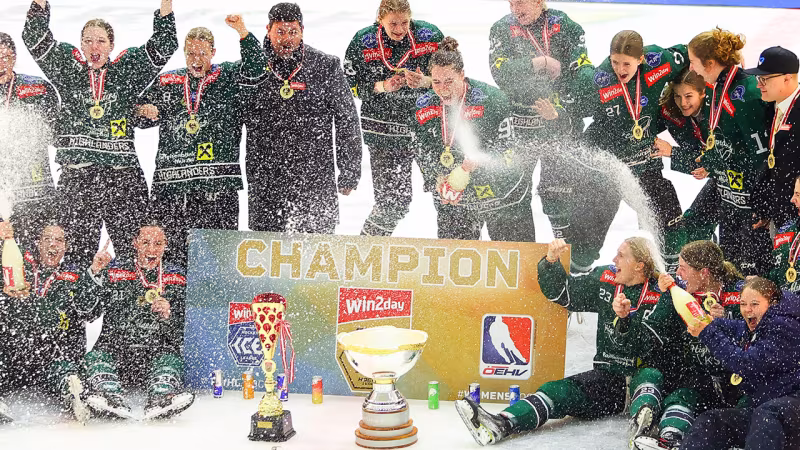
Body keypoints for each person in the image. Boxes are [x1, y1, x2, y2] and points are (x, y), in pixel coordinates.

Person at [455, 236, 670, 445]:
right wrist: (550, 261)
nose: (614, 260)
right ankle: (502, 424)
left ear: (639, 266)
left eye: (621, 256)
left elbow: (652, 343)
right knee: (558, 391)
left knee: (649, 379)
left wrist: (627, 319)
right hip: (610, 380)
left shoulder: (662, 291)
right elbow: (564, 292)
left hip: (648, 377)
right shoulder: (606, 279)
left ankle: (644, 434)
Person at [22, 0, 178, 267]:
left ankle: (135, 293)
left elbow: (164, 44)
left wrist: (166, 3)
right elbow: (35, 37)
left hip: (122, 177)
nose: (95, 47)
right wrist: (39, 3)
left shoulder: (128, 69)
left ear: (111, 45)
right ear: (81, 45)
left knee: (134, 250)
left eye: (101, 41)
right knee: (78, 253)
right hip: (78, 177)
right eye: (88, 41)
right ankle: (80, 295)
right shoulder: (67, 67)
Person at [136, 15, 266, 267]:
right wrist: (144, 110)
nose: (196, 60)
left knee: (220, 261)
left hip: (217, 188)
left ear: (213, 52)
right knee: (171, 262)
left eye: (203, 54)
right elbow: (138, 117)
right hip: (172, 189)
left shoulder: (228, 76)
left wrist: (243, 33)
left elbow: (257, 69)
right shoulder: (167, 81)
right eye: (191, 54)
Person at [489, 0, 602, 271]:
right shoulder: (501, 28)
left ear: (539, 1)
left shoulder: (565, 25)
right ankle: (523, 264)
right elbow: (500, 73)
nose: (515, 8)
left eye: (521, 2)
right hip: (519, 125)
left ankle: (570, 263)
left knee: (558, 194)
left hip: (558, 122)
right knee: (515, 193)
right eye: (511, 2)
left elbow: (582, 70)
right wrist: (538, 63)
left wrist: (574, 103)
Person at [244, 3, 362, 234]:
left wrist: (349, 170)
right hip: (266, 179)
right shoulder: (253, 67)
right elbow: (232, 117)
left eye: (293, 32)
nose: (287, 39)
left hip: (314, 176)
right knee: (268, 251)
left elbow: (347, 119)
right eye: (280, 32)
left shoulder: (325, 66)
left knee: (316, 251)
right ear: (268, 29)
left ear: (302, 30)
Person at [575, 30, 687, 272]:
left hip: (645, 162)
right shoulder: (600, 80)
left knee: (668, 212)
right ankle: (577, 272)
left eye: (626, 63)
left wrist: (726, 60)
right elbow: (573, 110)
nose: (620, 69)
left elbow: (694, 53)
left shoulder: (659, 60)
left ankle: (672, 273)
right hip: (609, 167)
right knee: (590, 229)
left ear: (641, 59)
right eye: (615, 62)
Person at [619, 241, 745, 450]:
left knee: (748, 410)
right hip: (696, 381)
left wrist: (728, 320)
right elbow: (648, 339)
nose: (677, 273)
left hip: (735, 383)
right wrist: (627, 319)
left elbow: (759, 334)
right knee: (680, 397)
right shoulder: (677, 295)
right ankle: (668, 439)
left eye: (683, 268)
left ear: (703, 273)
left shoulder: (739, 293)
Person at [412, 37, 534, 241]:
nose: (443, 89)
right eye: (436, 82)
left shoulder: (493, 100)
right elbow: (421, 151)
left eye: (449, 81)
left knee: (516, 260)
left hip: (504, 195)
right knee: (456, 259)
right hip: (455, 198)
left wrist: (479, 162)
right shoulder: (423, 107)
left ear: (462, 75)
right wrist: (437, 180)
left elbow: (510, 148)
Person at [344, 0, 443, 236]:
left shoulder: (430, 35)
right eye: (393, 24)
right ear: (380, 19)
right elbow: (347, 86)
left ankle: (457, 252)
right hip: (384, 133)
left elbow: (455, 78)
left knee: (448, 194)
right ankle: (367, 250)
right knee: (392, 204)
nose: (400, 30)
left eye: (405, 23)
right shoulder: (363, 40)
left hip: (428, 128)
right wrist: (382, 86)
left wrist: (428, 82)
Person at [83, 223, 193, 420]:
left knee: (172, 359)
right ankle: (110, 397)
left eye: (158, 243)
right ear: (135, 243)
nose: (152, 249)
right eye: (145, 242)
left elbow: (186, 330)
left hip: (158, 352)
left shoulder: (178, 276)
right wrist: (95, 272)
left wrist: (170, 315)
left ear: (166, 245)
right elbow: (88, 312)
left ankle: (161, 398)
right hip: (116, 350)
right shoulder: (114, 271)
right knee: (95, 357)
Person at [687, 27, 771, 276]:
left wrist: (763, 204)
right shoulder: (718, 89)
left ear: (710, 64)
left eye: (693, 62)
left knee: (752, 278)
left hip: (751, 204)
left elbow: (763, 156)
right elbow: (727, 141)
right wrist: (711, 160)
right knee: (730, 271)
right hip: (730, 198)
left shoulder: (747, 94)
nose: (691, 69)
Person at [0, 222, 103, 424]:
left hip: (55, 352)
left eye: (58, 240)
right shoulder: (18, 263)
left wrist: (93, 275)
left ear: (66, 246)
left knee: (65, 372)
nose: (52, 244)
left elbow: (92, 314)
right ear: (38, 243)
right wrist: (5, 295)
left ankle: (74, 393)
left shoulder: (76, 274)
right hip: (14, 350)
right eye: (47, 239)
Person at [682, 277, 800, 450]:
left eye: (754, 304)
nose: (747, 309)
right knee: (712, 421)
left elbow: (746, 364)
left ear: (772, 303)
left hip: (792, 408)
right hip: (765, 409)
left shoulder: (784, 327)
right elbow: (736, 328)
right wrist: (710, 322)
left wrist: (708, 333)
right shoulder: (761, 323)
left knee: (766, 415)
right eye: (743, 304)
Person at [0, 32, 60, 252]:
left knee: (38, 256)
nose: (0, 64)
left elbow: (58, 136)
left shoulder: (38, 89)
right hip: (3, 194)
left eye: (5, 57)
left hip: (36, 195)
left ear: (14, 58)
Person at [654, 68, 720, 248]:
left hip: (739, 177)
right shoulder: (669, 110)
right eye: (677, 96)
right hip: (719, 178)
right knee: (693, 229)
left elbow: (726, 156)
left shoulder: (718, 109)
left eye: (688, 96)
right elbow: (697, 165)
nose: (683, 103)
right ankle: (704, 255)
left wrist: (673, 152)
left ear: (703, 92)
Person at [748, 46, 800, 229]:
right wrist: (765, 207)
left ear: (787, 78)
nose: (758, 85)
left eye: (765, 79)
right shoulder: (772, 108)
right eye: (758, 78)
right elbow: (774, 163)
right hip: (779, 214)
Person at [768, 175, 800, 293]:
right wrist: (761, 282)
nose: (792, 199)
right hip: (785, 300)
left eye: (798, 194)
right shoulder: (785, 232)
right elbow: (775, 274)